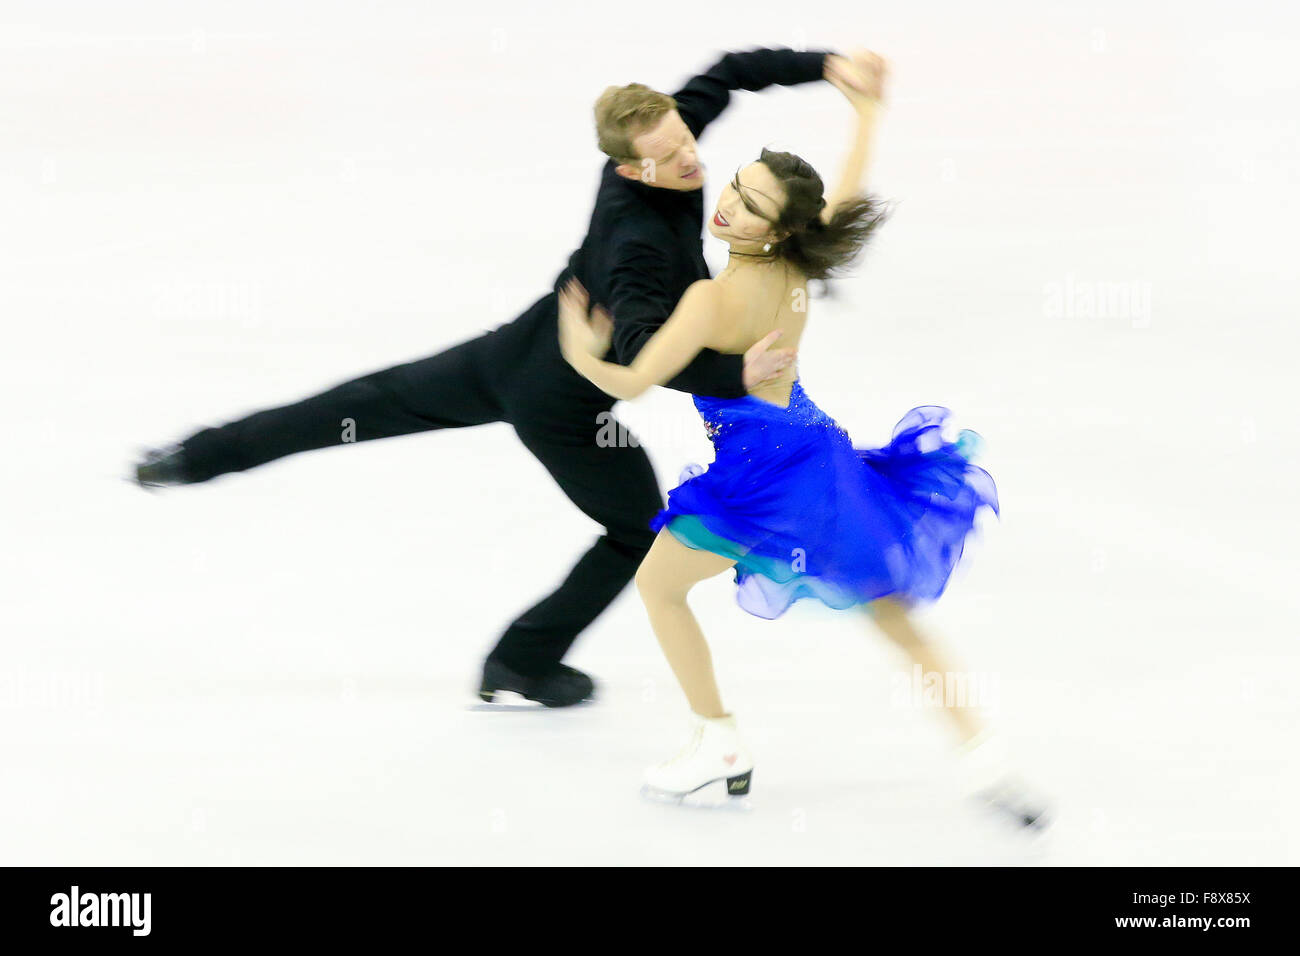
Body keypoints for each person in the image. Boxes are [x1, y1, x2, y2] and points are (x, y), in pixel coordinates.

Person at [133, 48, 883, 708]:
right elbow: (642, 349)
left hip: (511, 350)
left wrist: (823, 66)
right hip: (560, 401)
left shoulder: (661, 140)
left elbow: (726, 74)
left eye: (686, 140)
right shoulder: (638, 241)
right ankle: (520, 663)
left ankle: (192, 458)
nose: (691, 162)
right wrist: (736, 372)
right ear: (628, 168)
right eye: (669, 157)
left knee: (357, 404)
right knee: (634, 530)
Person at [558, 53, 1048, 827]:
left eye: (749, 205)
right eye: (737, 185)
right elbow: (845, 191)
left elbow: (629, 382)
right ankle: (986, 757)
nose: (726, 207)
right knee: (889, 613)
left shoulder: (710, 300)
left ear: (777, 226)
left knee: (659, 588)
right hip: (820, 457)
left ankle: (718, 742)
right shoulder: (796, 255)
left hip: (761, 482)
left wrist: (577, 343)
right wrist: (866, 113)